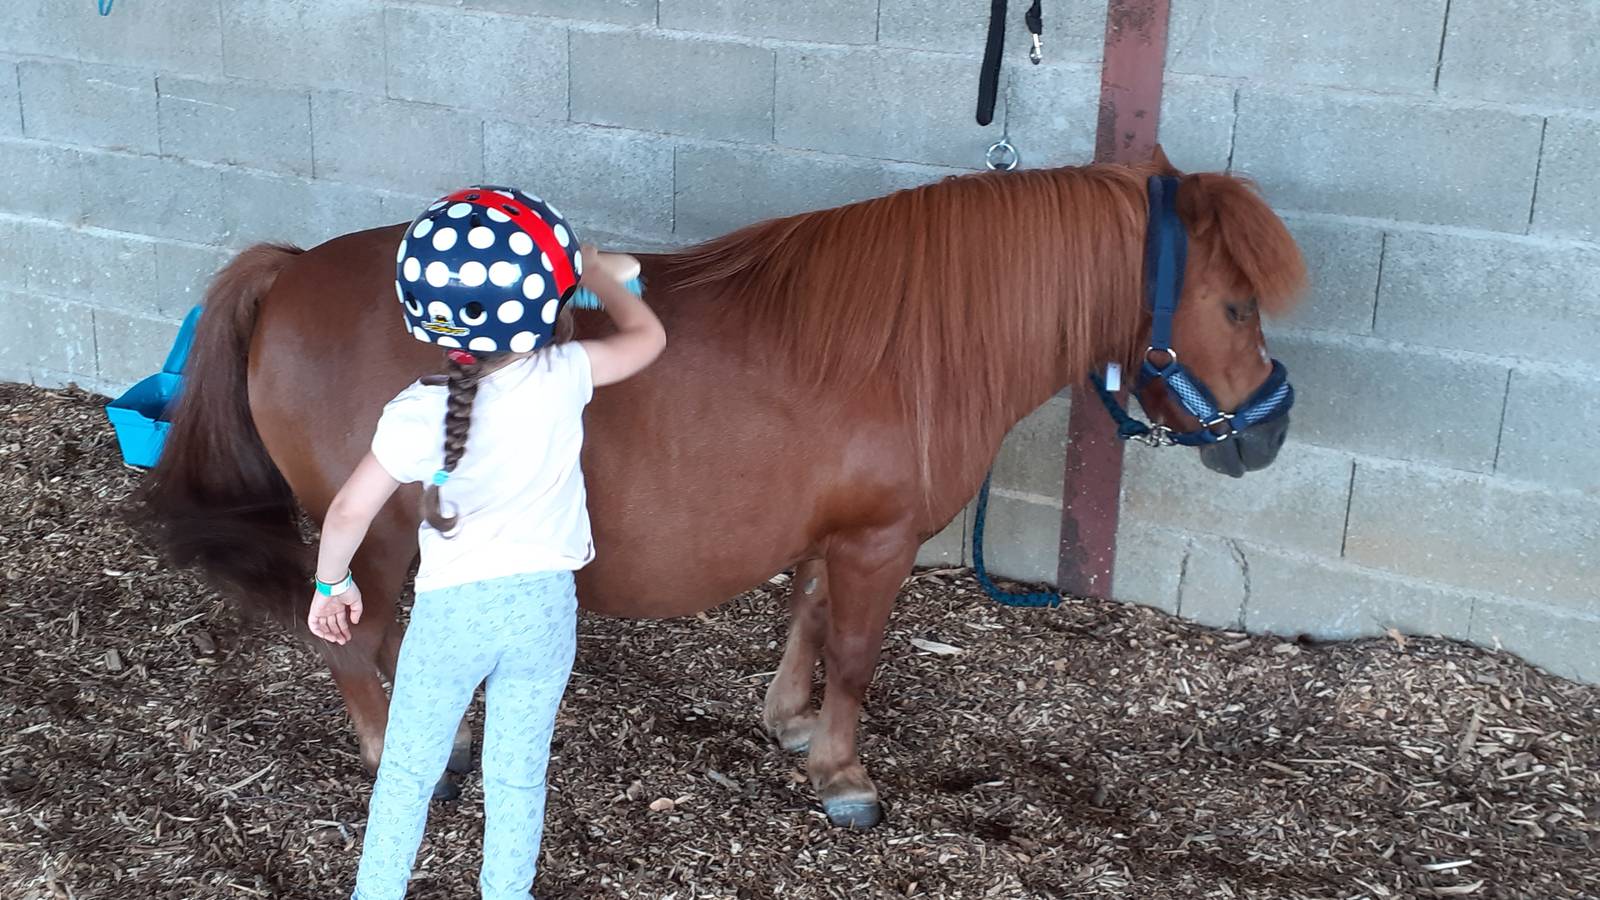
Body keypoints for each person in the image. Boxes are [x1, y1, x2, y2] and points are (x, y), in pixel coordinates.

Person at [304, 186, 666, 899]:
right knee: (517, 776)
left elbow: (347, 511)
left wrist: (330, 584)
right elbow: (648, 339)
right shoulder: (565, 374)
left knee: (408, 776)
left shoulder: (417, 412)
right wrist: (597, 275)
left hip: (453, 616)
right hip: (545, 612)